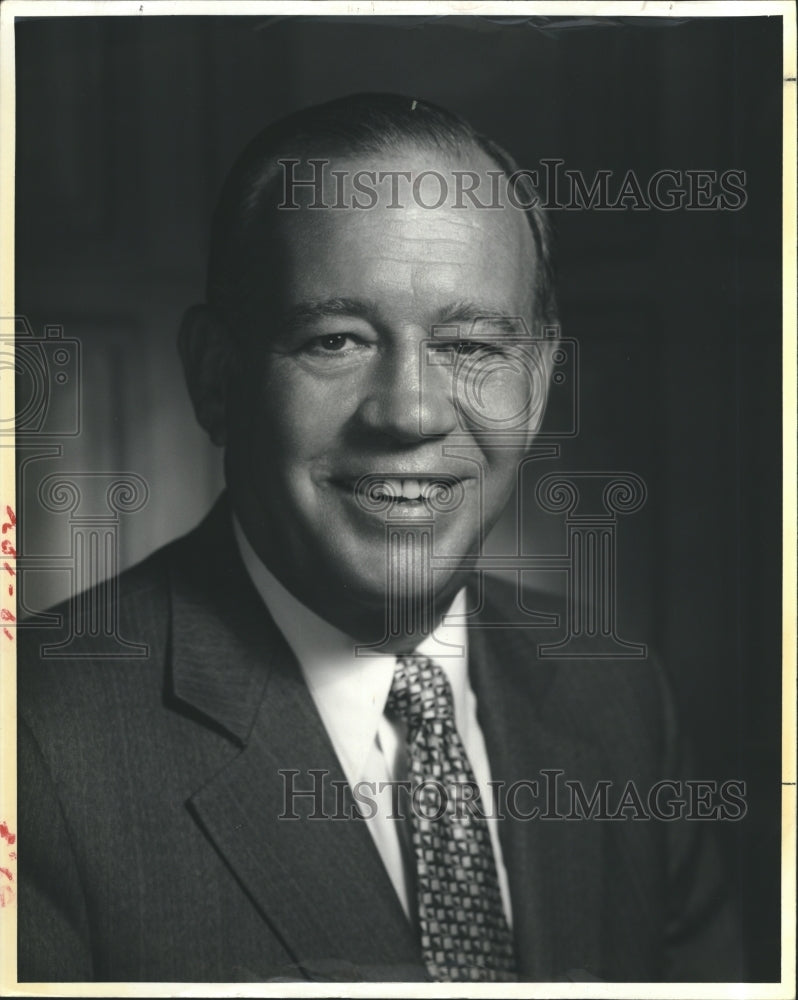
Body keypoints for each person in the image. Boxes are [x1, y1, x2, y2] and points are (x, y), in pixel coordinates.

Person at [17, 93, 743, 983]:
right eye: (336, 340)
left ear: (541, 382)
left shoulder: (620, 698)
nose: (412, 412)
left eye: (472, 346)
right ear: (216, 376)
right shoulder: (35, 752)